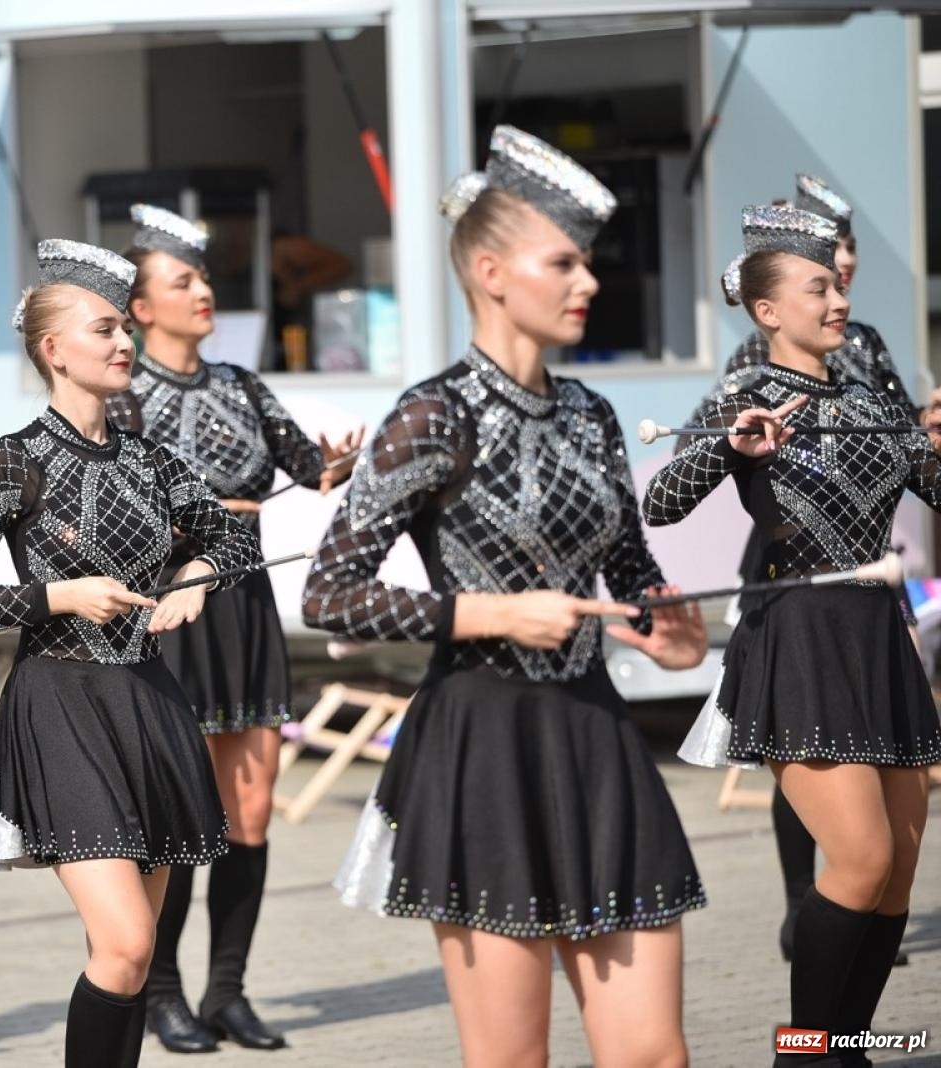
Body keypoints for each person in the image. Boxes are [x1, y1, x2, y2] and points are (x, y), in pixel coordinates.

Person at [303, 126, 710, 1068]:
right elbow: (330, 594)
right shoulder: (430, 416)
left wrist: (666, 629)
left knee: (655, 1054)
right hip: (482, 747)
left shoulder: (592, 413)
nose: (589, 283)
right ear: (491, 272)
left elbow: (631, 568)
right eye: (562, 262)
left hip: (596, 737)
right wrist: (489, 612)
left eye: (587, 264)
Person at [0, 239, 260, 1068]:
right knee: (124, 942)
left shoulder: (153, 460)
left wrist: (198, 575)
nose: (124, 343)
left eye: (124, 328)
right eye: (104, 328)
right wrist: (58, 596)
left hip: (149, 707)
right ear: (53, 350)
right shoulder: (14, 458)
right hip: (61, 706)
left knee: (133, 960)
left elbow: (234, 536)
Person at [645, 204, 941, 1067]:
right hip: (800, 635)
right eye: (819, 286)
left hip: (878, 638)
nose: (837, 296)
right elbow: (660, 504)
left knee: (896, 875)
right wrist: (730, 449)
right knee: (859, 857)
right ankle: (802, 1053)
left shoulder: (871, 397)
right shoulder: (748, 397)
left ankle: (841, 1049)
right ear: (770, 310)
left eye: (838, 282)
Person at [107, 204, 360, 1054]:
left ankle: (228, 993)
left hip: (247, 610)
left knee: (249, 813)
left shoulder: (244, 386)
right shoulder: (124, 397)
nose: (203, 291)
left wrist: (342, 462)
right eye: (183, 282)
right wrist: (201, 518)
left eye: (204, 278)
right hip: (173, 614)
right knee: (178, 816)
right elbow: (118, 508)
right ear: (141, 309)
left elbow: (309, 469)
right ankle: (160, 993)